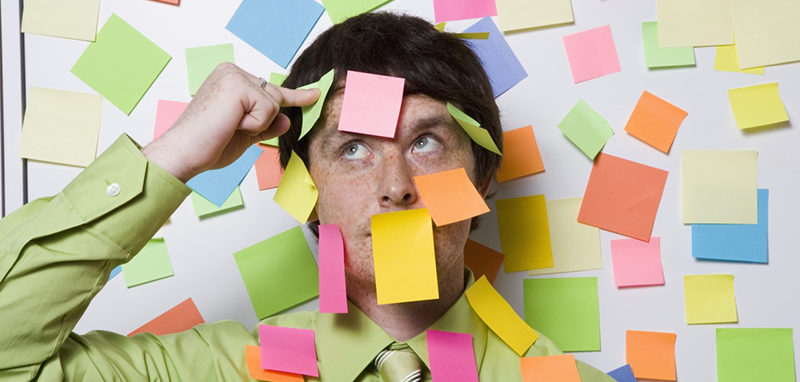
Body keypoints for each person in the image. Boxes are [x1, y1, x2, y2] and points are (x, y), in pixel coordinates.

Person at [0, 12, 614, 382]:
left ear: (483, 180)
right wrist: (177, 154)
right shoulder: (217, 370)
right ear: (308, 191)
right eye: (353, 148)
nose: (396, 186)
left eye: (426, 142)